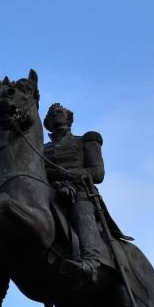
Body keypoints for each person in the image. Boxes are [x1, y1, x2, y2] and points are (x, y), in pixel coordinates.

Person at [43, 102, 108, 282]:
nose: (55, 115)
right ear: (46, 122)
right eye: (51, 114)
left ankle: (90, 263)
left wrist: (66, 175)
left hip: (80, 192)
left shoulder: (85, 140)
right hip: (51, 191)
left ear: (69, 118)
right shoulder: (41, 150)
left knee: (81, 210)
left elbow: (97, 173)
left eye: (59, 112)